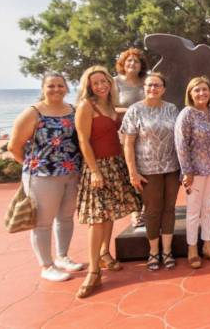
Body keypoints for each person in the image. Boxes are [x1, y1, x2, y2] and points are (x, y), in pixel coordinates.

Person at [8, 73, 84, 282]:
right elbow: (14, 146)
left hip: (71, 172)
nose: (56, 89)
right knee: (43, 222)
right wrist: (33, 165)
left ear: (67, 88)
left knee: (66, 217)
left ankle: (62, 257)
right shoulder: (33, 113)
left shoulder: (72, 111)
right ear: (43, 88)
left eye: (60, 85)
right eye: (51, 86)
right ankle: (46, 265)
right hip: (43, 176)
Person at [74, 66, 141, 298]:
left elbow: (129, 113)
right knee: (97, 218)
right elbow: (83, 140)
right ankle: (93, 270)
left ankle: (104, 253)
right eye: (96, 83)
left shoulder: (110, 106)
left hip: (115, 164)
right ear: (89, 86)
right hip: (98, 167)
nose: (101, 86)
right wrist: (94, 171)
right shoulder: (86, 106)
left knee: (109, 213)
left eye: (104, 81)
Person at [121, 72, 181, 271]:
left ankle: (167, 251)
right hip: (148, 170)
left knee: (169, 209)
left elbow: (180, 138)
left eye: (157, 85)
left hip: (172, 168)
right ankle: (153, 251)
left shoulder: (172, 109)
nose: (153, 88)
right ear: (143, 88)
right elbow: (128, 143)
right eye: (149, 85)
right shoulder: (135, 110)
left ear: (163, 89)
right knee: (153, 211)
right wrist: (132, 172)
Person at [175, 76, 210, 268]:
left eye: (204, 89)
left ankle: (208, 245)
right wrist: (186, 171)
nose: (201, 93)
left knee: (208, 208)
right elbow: (181, 145)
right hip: (194, 172)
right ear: (190, 93)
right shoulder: (186, 114)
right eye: (197, 90)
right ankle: (192, 249)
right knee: (193, 210)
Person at [114, 47, 149, 228]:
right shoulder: (114, 83)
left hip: (146, 133)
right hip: (124, 133)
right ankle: (135, 210)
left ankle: (145, 208)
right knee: (131, 169)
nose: (132, 64)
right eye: (129, 61)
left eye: (136, 61)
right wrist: (131, 111)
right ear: (123, 63)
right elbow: (108, 108)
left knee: (145, 169)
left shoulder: (147, 81)